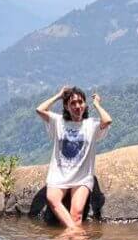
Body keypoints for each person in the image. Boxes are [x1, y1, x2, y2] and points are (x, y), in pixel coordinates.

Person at [35, 85, 111, 228]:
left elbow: (107, 120)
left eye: (80, 102)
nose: (77, 106)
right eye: (73, 103)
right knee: (52, 199)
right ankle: (76, 237)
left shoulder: (91, 124)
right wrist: (58, 95)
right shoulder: (58, 121)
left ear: (85, 104)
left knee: (76, 214)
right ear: (67, 106)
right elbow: (40, 109)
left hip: (81, 177)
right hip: (59, 175)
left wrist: (97, 105)